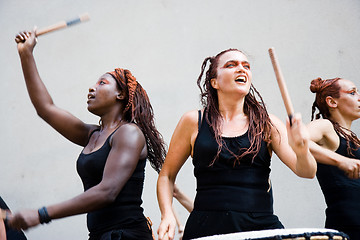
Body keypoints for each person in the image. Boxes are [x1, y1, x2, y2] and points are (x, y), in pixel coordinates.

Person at [8, 28, 166, 240]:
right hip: (100, 235)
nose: (91, 88)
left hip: (126, 235)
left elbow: (107, 191)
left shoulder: (129, 133)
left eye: (102, 83)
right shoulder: (92, 134)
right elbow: (45, 108)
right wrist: (26, 54)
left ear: (121, 93)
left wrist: (41, 214)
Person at [157, 48, 317, 240]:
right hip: (206, 227)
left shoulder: (268, 123)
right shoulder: (193, 121)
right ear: (214, 82)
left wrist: (302, 150)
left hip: (260, 227)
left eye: (246, 66)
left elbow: (307, 172)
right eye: (231, 65)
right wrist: (167, 214)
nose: (242, 69)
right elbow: (167, 176)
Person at [307, 77, 360, 239]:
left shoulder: (353, 138)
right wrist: (340, 160)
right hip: (349, 225)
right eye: (352, 93)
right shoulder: (326, 126)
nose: (359, 97)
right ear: (332, 102)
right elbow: (299, 140)